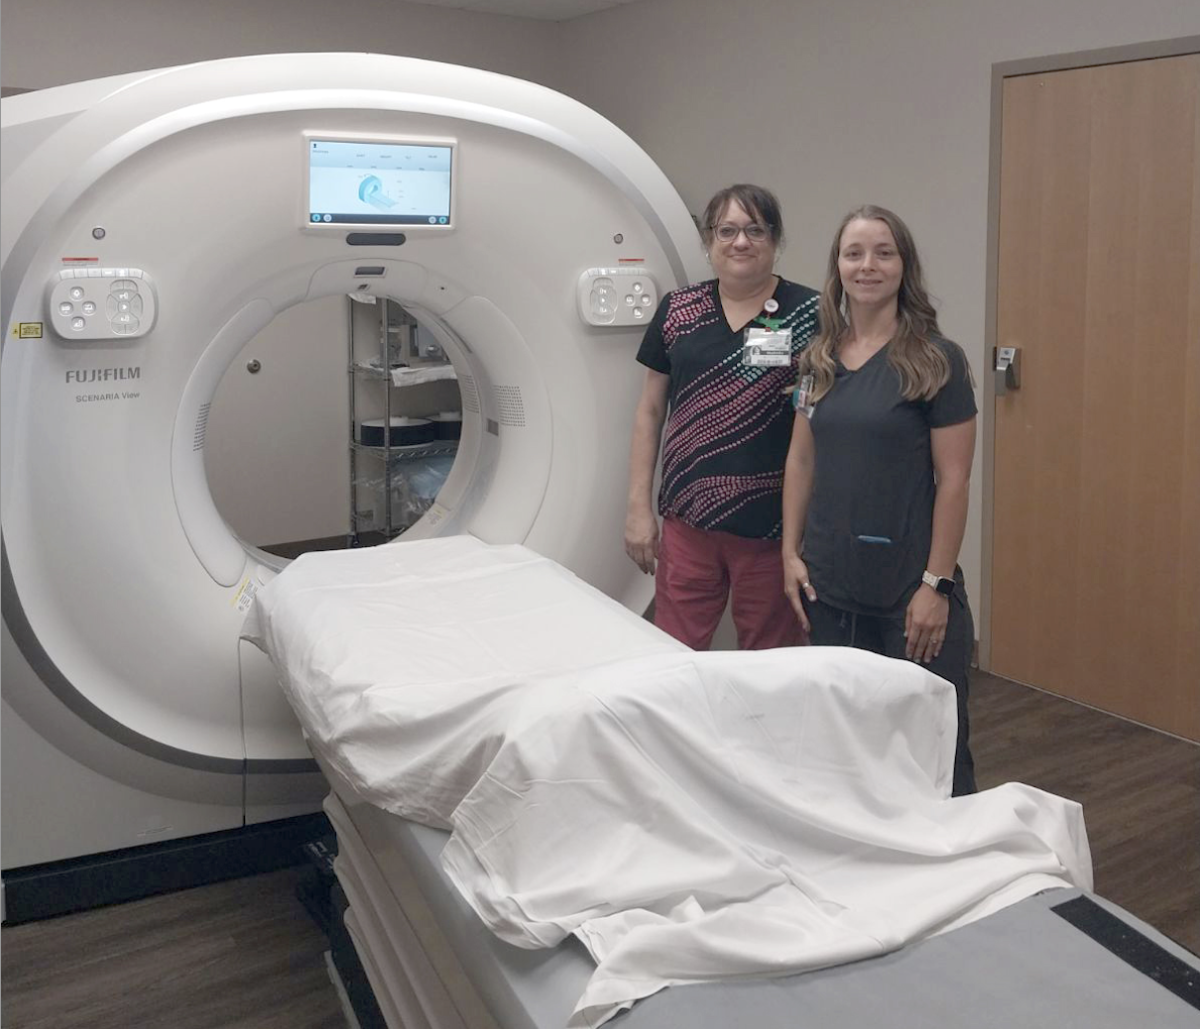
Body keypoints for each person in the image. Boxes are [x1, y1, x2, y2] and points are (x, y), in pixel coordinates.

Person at [781, 205, 978, 795]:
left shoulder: (936, 360)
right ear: (837, 267)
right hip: (832, 587)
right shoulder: (818, 358)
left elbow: (956, 481)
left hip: (908, 594)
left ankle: (952, 867)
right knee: (846, 748)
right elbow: (801, 460)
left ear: (903, 265)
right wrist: (790, 553)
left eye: (883, 252)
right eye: (854, 253)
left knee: (930, 749)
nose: (867, 265)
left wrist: (935, 586)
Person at [625, 184, 819, 650]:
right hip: (688, 523)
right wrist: (637, 508)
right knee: (674, 650)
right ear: (709, 241)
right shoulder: (678, 311)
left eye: (755, 230)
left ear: (776, 240)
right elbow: (650, 411)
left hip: (772, 528)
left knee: (771, 657)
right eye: (727, 230)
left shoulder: (811, 314)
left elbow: (824, 417)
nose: (740, 242)